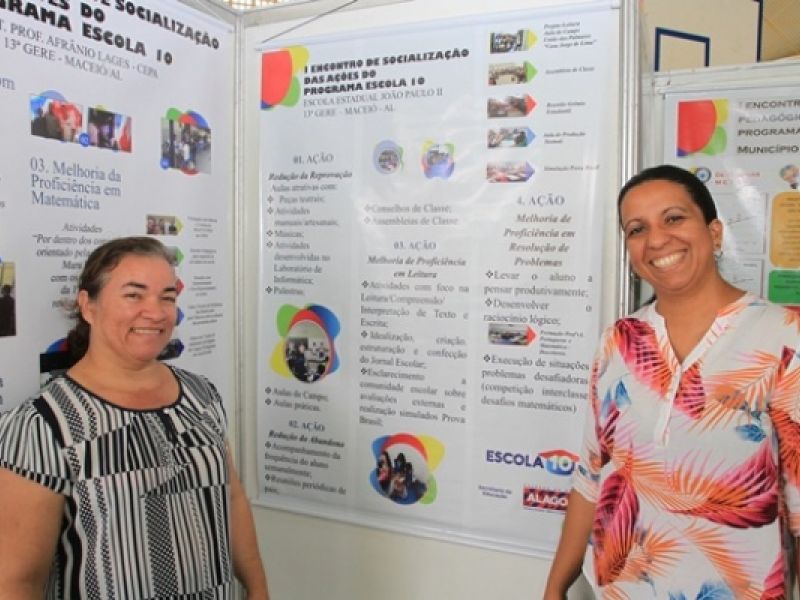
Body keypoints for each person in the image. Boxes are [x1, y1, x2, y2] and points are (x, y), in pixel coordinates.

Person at [544, 165, 800, 599]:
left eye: (674, 218)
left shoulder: (783, 337)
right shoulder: (618, 342)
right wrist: (554, 589)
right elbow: (591, 479)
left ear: (714, 233)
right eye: (637, 229)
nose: (657, 239)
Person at [0, 236, 270, 599]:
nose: (155, 312)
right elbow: (17, 580)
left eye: (167, 297)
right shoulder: (43, 424)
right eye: (134, 295)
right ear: (88, 306)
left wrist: (258, 589)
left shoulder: (201, 395)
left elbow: (231, 498)